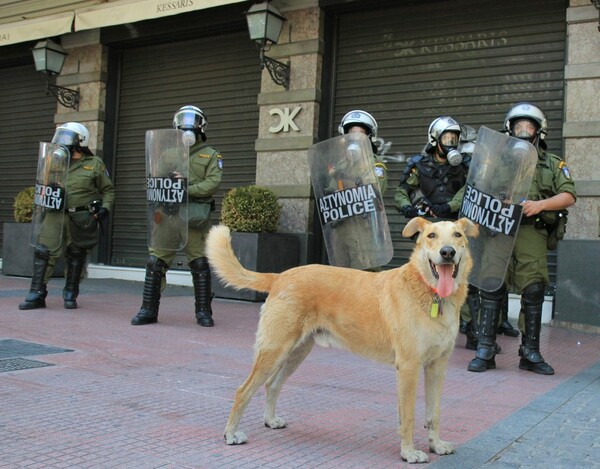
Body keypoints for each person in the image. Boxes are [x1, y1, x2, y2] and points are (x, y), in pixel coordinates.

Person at [468, 102, 576, 375]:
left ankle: (530, 352)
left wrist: (540, 205)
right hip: (499, 230)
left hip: (531, 231)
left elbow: (569, 196)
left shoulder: (552, 163)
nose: (524, 131)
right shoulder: (497, 161)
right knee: (491, 287)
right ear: (510, 129)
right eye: (519, 126)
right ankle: (485, 348)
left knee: (533, 291)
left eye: (530, 127)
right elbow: (477, 189)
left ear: (540, 131)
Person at [131, 105, 223, 327]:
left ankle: (203, 312)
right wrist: (170, 181)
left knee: (199, 263)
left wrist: (185, 187)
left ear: (202, 125)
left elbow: (212, 183)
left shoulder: (211, 155)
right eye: (183, 120)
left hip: (194, 217)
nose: (188, 125)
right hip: (168, 215)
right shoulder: (168, 153)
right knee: (156, 261)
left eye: (193, 120)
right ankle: (148, 309)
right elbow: (156, 179)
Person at [394, 116, 482, 349]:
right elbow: (402, 190)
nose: (451, 142)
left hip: (454, 229)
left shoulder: (464, 163)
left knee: (462, 280)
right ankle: (422, 323)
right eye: (447, 137)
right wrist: (406, 206)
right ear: (435, 140)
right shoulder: (419, 164)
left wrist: (450, 206)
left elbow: (472, 188)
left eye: (455, 138)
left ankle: (473, 330)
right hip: (430, 229)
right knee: (424, 279)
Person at [19, 122, 115, 311]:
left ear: (80, 141)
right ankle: (36, 293)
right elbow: (42, 184)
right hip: (55, 215)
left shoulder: (94, 164)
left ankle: (71, 292)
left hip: (81, 218)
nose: (61, 144)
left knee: (76, 255)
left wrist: (105, 209)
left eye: (66, 139)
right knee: (44, 253)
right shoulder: (54, 162)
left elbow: (108, 190)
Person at [327, 110, 388, 270]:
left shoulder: (375, 166)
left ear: (370, 138)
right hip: (341, 228)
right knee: (340, 276)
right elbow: (331, 193)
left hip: (364, 228)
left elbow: (375, 190)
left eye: (361, 134)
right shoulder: (338, 166)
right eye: (352, 133)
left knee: (366, 274)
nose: (355, 138)